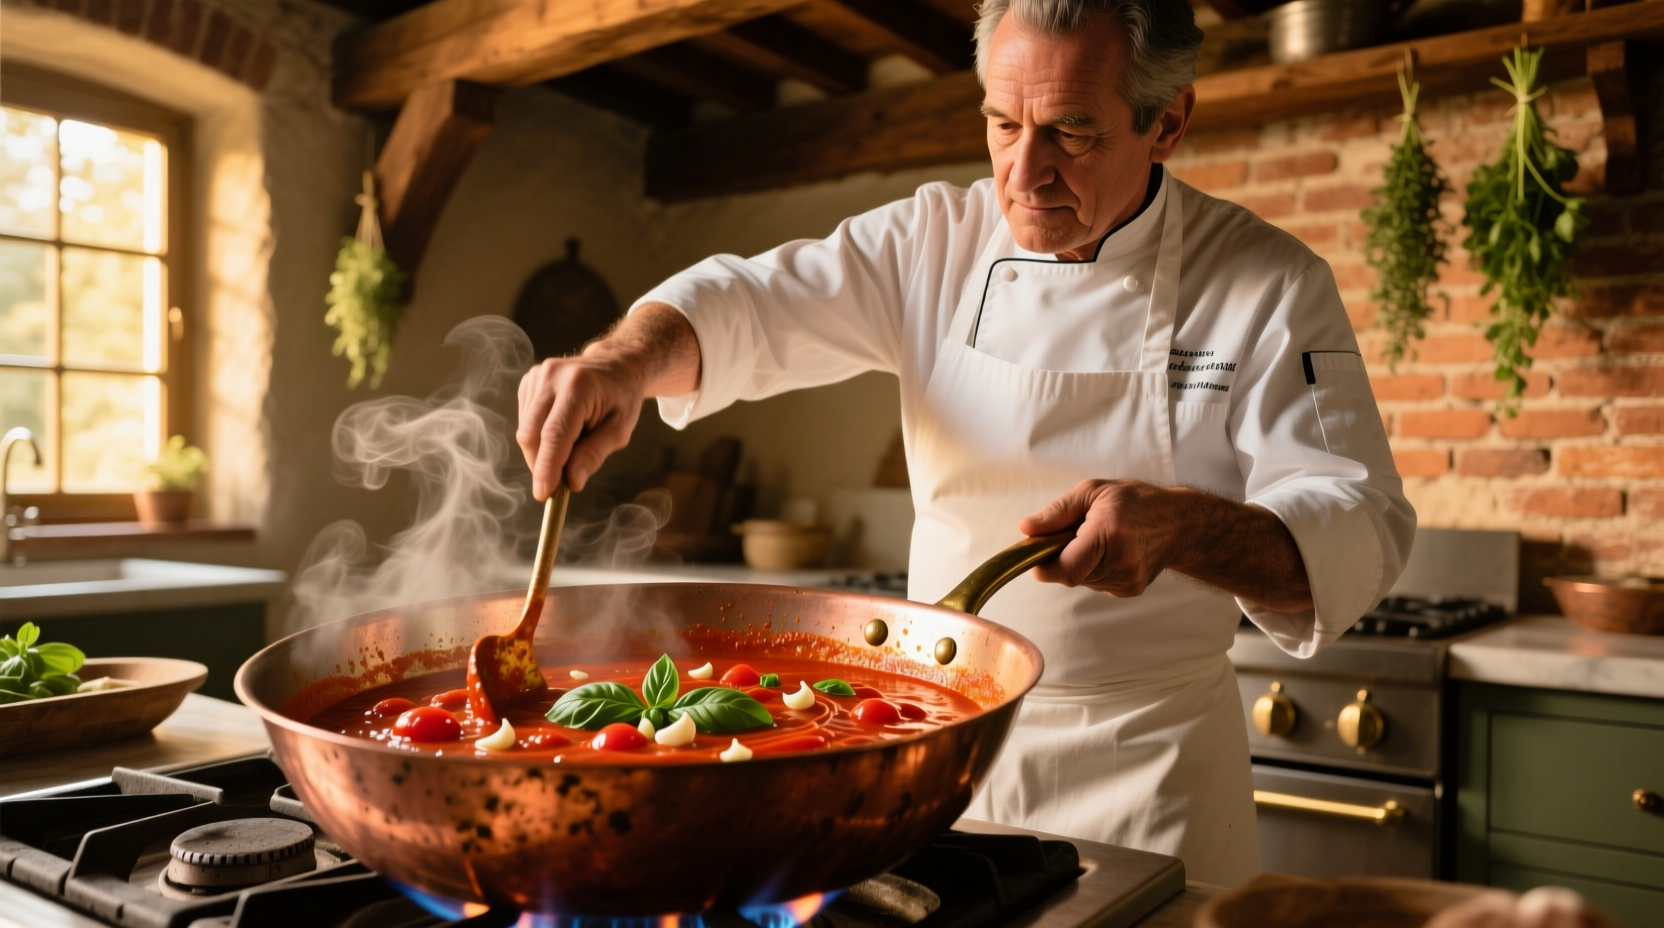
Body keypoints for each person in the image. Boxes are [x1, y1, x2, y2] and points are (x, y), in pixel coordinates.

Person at [517, 0, 1414, 885]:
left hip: (1152, 774)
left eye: (1071, 131)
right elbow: (748, 301)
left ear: (1167, 122)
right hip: (935, 754)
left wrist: (1182, 528)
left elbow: (1357, 523)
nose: (1025, 173)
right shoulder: (931, 242)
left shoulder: (1268, 284)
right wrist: (624, 363)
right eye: (1001, 123)